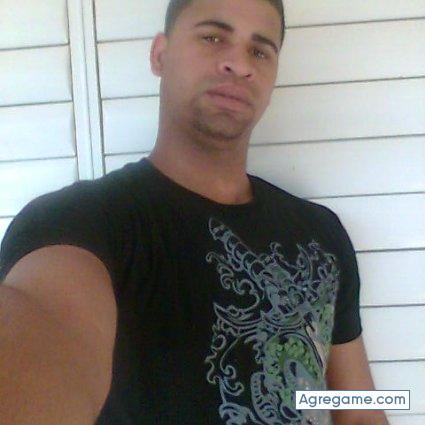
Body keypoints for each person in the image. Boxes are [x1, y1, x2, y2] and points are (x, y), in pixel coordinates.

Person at [0, 0, 390, 424]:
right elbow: (40, 338)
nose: (240, 64)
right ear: (160, 55)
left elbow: (360, 408)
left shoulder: (322, 234)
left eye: (260, 51)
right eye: (213, 37)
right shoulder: (74, 224)